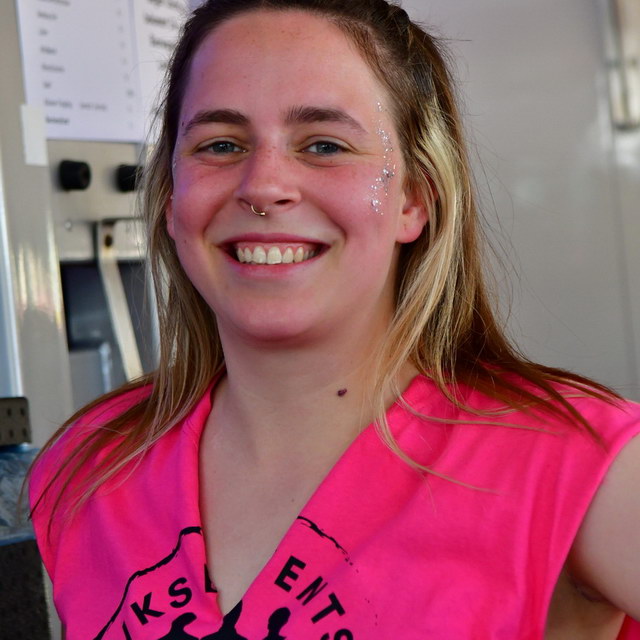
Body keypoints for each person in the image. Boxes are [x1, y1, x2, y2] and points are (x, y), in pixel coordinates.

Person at [29, 1, 640, 638]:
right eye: (221, 145)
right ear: (171, 198)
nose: (262, 186)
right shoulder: (91, 467)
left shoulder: (577, 468)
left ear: (414, 199)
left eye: (324, 145)